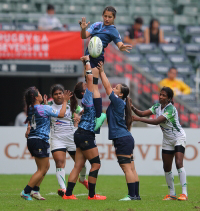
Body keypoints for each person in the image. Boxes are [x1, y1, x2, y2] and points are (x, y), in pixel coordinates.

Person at [62, 56, 106, 200]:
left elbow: (89, 79)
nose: (88, 85)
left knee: (78, 166)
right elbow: (89, 78)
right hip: (86, 134)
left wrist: (84, 65)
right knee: (96, 164)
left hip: (80, 133)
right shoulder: (88, 96)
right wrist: (87, 62)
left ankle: (68, 194)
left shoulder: (87, 95)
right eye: (85, 86)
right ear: (82, 92)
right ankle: (92, 195)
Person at [131, 87, 188, 201]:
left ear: (169, 98)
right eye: (160, 94)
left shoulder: (171, 109)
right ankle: (172, 194)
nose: (160, 97)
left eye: (163, 95)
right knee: (166, 167)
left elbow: (157, 121)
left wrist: (137, 119)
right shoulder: (157, 106)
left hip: (178, 137)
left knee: (178, 162)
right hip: (167, 139)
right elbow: (142, 113)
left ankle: (184, 193)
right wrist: (132, 106)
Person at [79, 6, 132, 126]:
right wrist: (83, 29)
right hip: (87, 57)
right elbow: (83, 36)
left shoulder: (113, 30)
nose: (107, 19)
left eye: (110, 17)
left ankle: (98, 115)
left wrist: (121, 46)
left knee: (93, 87)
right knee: (89, 86)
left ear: (114, 18)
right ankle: (93, 113)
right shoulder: (97, 25)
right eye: (105, 16)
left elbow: (119, 44)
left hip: (96, 59)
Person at [97, 61, 140, 201]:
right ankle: (136, 195)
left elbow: (106, 86)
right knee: (131, 168)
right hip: (126, 137)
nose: (113, 89)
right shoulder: (121, 103)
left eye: (116, 88)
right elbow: (109, 87)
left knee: (126, 168)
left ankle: (131, 195)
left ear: (120, 94)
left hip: (121, 138)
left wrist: (102, 71)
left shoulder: (117, 101)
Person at [20, 86, 71, 201]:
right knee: (42, 169)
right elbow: (61, 114)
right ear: (36, 97)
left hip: (34, 139)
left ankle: (35, 191)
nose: (40, 94)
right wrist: (65, 101)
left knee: (45, 166)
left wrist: (46, 105)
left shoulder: (32, 108)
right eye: (38, 93)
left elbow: (38, 117)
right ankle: (26, 191)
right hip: (39, 140)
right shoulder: (43, 108)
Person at [48, 84, 88, 196]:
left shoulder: (72, 105)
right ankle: (64, 189)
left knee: (82, 163)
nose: (58, 96)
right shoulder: (48, 105)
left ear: (64, 94)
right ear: (52, 96)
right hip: (57, 138)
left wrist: (79, 118)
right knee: (60, 162)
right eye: (55, 94)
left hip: (72, 137)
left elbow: (85, 113)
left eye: (60, 93)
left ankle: (82, 179)